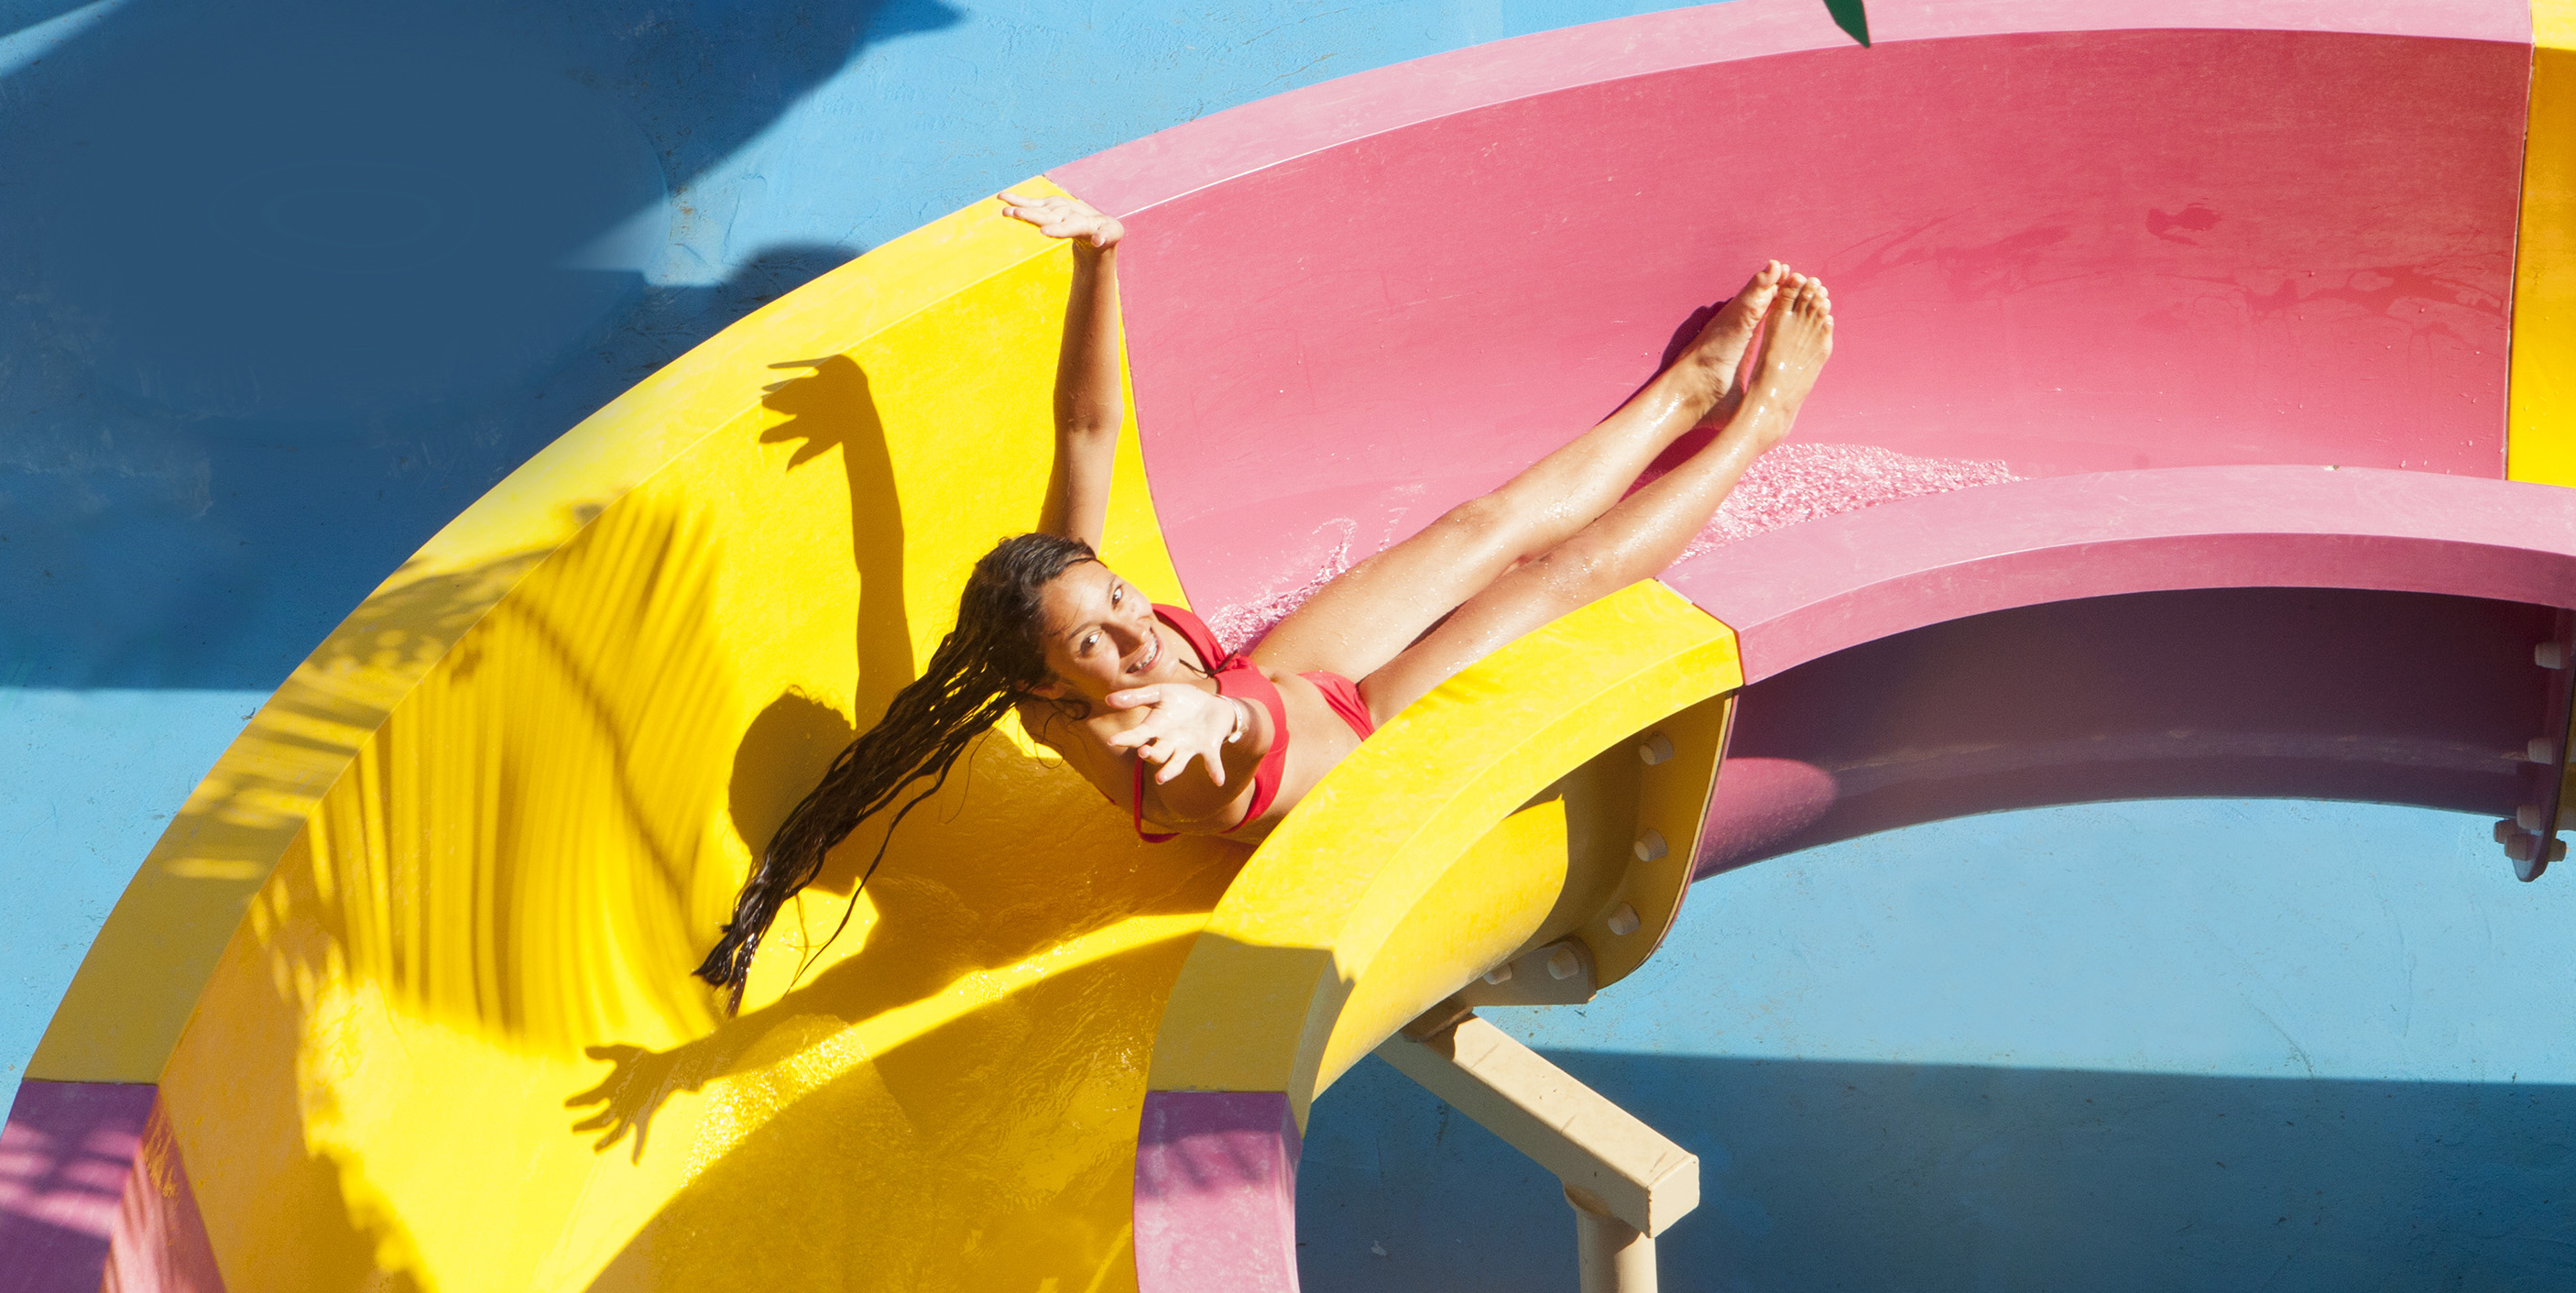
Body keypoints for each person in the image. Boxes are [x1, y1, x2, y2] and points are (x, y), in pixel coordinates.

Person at [694, 190, 1832, 1008]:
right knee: (1549, 583)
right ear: (1051, 692)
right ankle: (1755, 424)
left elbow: (1086, 431)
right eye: (1100, 639)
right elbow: (1231, 749)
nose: (1135, 629)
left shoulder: (1063, 629)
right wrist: (1216, 716)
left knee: (1477, 530)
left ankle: (1679, 395)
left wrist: (1101, 261)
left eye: (1120, 599)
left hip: (1274, 683)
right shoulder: (1155, 742)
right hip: (1337, 740)